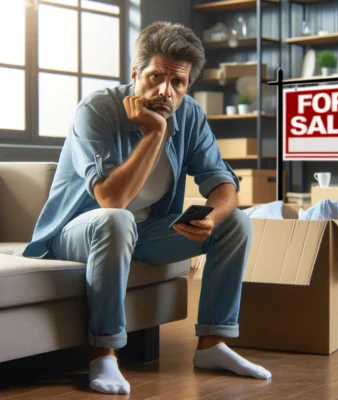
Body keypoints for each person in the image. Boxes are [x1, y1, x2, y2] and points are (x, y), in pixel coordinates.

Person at [23, 21, 271, 395]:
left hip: (143, 232)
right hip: (75, 233)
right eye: (155, 77)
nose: (165, 92)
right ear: (135, 73)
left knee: (235, 222)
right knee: (117, 219)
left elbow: (222, 182)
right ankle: (103, 352)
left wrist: (212, 218)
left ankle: (212, 345)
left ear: (189, 86)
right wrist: (154, 132)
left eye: (178, 83)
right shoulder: (98, 109)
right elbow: (111, 199)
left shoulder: (189, 115)